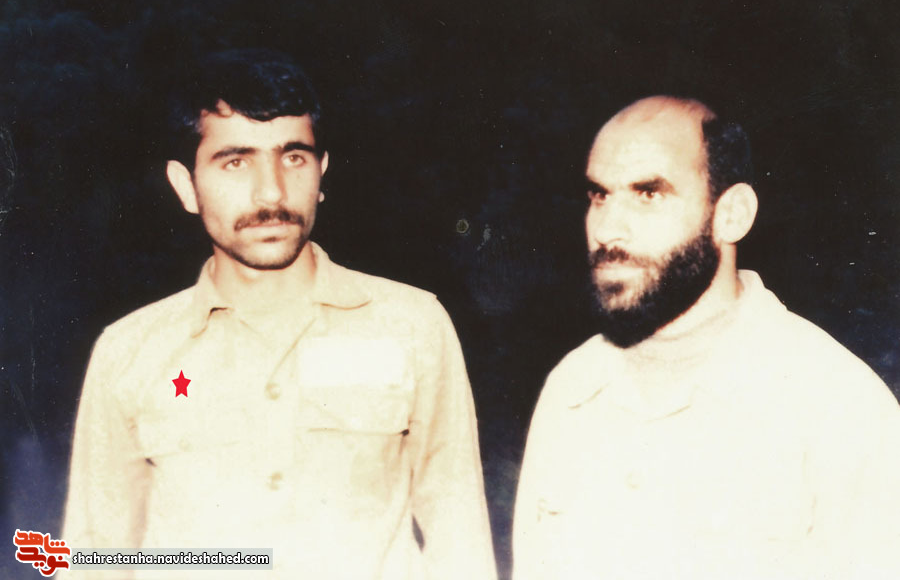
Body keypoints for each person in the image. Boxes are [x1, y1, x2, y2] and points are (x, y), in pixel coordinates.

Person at [63, 48, 497, 580]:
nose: (271, 191)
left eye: (293, 157)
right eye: (236, 161)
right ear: (186, 186)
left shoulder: (412, 326)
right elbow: (96, 558)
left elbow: (460, 540)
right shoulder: (129, 353)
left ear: (321, 172)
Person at [513, 95, 900, 579]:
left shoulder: (838, 405)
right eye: (599, 196)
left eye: (648, 194)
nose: (608, 229)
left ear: (731, 214)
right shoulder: (573, 387)